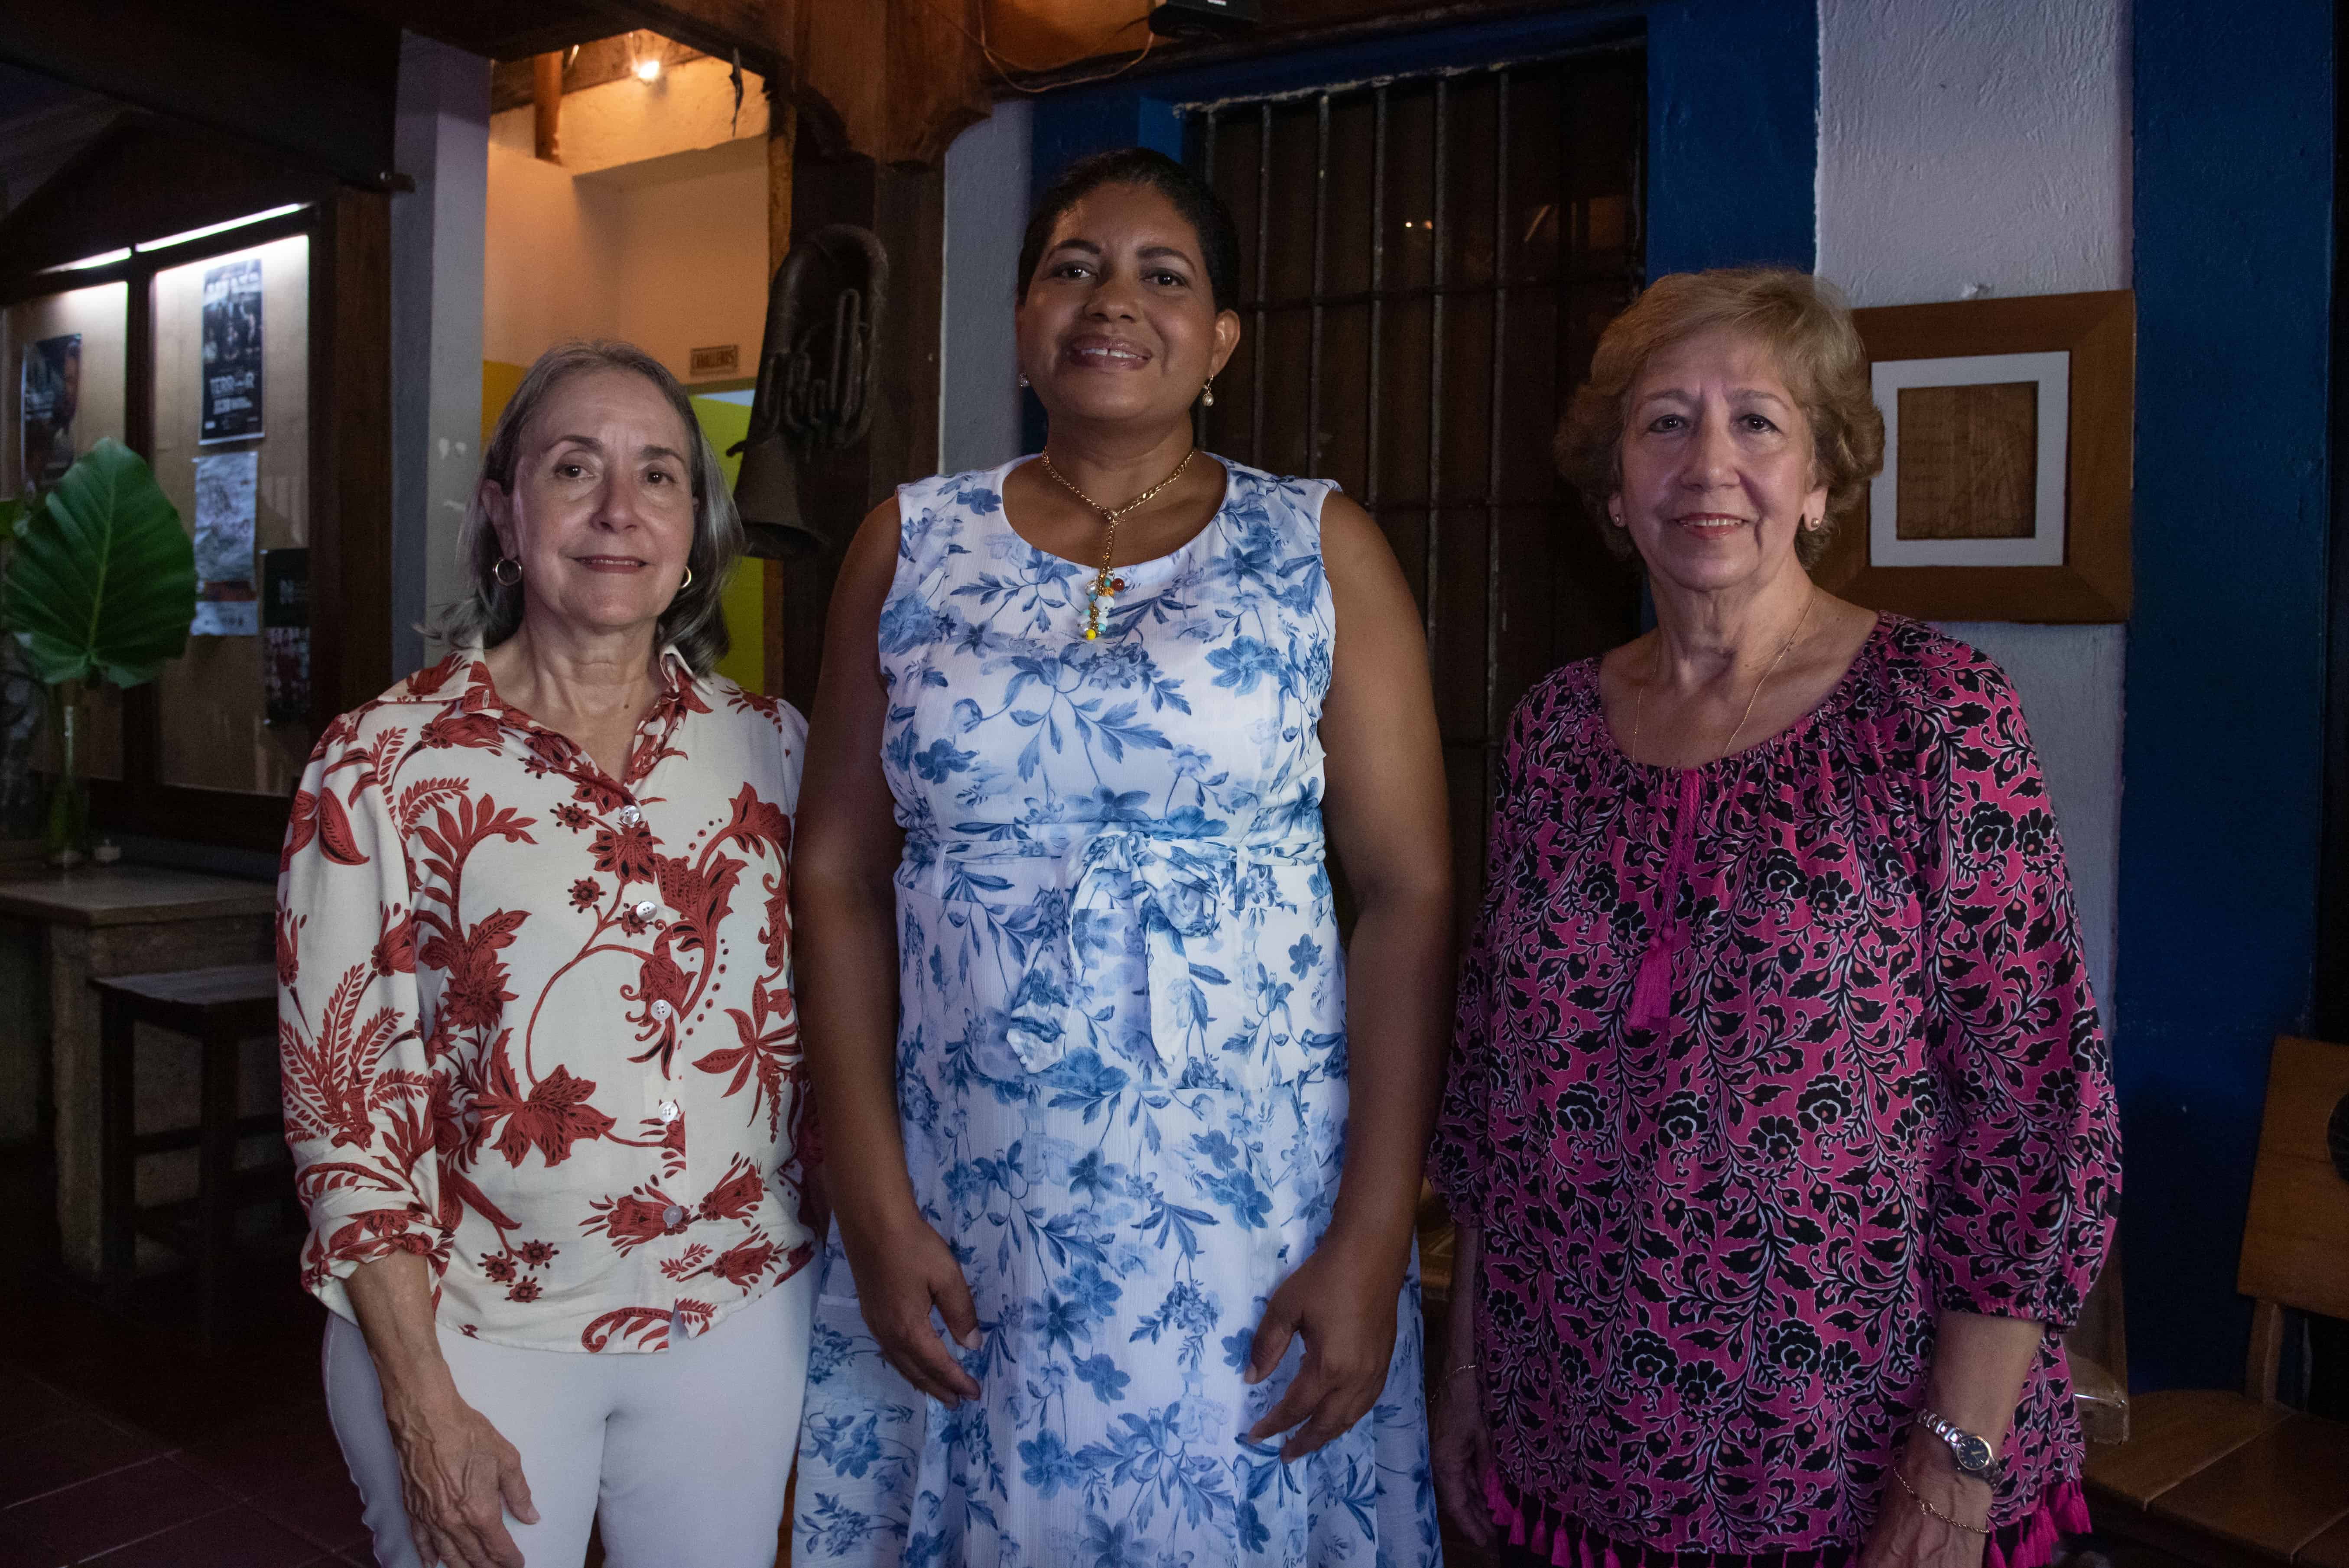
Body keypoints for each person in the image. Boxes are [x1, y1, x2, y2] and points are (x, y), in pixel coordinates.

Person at [789, 146, 1451, 1566]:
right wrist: (870, 1190)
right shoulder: (908, 542)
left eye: (1166, 274)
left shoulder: (1318, 544)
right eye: (1073, 265)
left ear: (1220, 340)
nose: (1113, 299)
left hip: (1252, 1208)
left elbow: (1405, 893)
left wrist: (1373, 1230)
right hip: (970, 1187)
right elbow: (837, 873)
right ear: (1026, 319)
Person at [1428, 268, 2122, 1568]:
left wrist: (1958, 1455)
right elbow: (1496, 1083)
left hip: (1857, 1458)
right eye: (1666, 422)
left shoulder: (1938, 711)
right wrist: (1465, 1364)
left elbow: (2031, 1102)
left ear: (1818, 483)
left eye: (1758, 421)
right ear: (1616, 485)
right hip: (1577, 1437)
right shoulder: (1556, 731)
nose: (1709, 464)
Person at [278, 341, 815, 1568]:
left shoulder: (772, 747)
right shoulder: (383, 761)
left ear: (697, 528)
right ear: (506, 515)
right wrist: (422, 1400)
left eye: (660, 476)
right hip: (477, 1335)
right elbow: (341, 1109)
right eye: (575, 468)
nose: (620, 512)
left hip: (735, 1317)